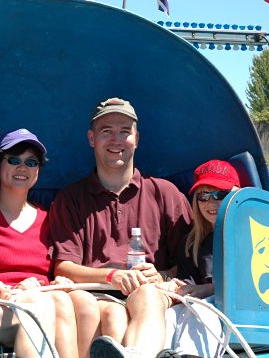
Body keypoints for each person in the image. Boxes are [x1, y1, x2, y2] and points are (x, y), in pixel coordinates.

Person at [49, 98, 193, 358]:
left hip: (150, 293)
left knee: (147, 293)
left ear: (136, 138)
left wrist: (160, 275)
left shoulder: (166, 194)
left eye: (125, 131)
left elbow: (189, 262)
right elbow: (63, 266)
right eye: (107, 131)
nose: (116, 140)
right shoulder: (70, 199)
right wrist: (111, 276)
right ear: (92, 138)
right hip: (94, 297)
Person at [0, 128, 99, 358]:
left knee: (71, 301)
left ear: (38, 171)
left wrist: (58, 280)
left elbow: (58, 267)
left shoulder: (49, 218)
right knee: (39, 306)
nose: (23, 168)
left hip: (41, 296)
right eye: (14, 160)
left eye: (31, 162)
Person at [159, 159, 241, 358]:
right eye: (203, 196)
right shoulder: (191, 243)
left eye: (219, 194)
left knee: (203, 312)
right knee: (168, 317)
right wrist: (173, 287)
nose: (211, 203)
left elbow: (248, 284)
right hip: (200, 305)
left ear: (235, 195)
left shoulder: (247, 234)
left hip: (233, 309)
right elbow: (191, 285)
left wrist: (209, 289)